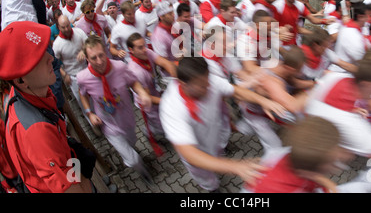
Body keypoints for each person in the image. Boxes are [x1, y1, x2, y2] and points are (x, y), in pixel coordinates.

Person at [159, 56, 286, 192]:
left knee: (220, 155)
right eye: (202, 85)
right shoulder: (171, 107)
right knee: (210, 181)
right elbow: (189, 153)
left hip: (216, 137)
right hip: (199, 157)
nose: (209, 86)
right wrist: (235, 167)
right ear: (184, 84)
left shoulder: (207, 80)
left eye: (208, 81)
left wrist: (263, 101)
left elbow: (235, 90)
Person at [0, 21, 93, 193]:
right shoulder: (37, 131)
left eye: (45, 51)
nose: (51, 58)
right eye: (38, 59)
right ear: (21, 80)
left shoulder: (29, 91)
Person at [77, 34, 153, 185]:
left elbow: (133, 83)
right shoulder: (82, 77)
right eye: (93, 58)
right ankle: (142, 171)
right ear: (87, 58)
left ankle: (137, 161)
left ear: (105, 52)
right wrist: (89, 113)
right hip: (108, 125)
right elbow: (83, 95)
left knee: (132, 144)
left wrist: (143, 93)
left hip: (127, 119)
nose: (99, 62)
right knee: (132, 158)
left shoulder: (120, 67)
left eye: (101, 55)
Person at [244, 116, 350, 193]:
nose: (342, 156)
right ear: (308, 172)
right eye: (332, 163)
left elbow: (314, 176)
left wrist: (329, 185)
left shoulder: (291, 153)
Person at [328, 2, 371, 73]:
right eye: (366, 16)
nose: (367, 19)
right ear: (360, 17)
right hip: (341, 73)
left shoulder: (352, 26)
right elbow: (362, 61)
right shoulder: (352, 35)